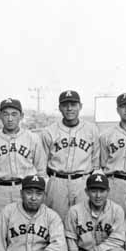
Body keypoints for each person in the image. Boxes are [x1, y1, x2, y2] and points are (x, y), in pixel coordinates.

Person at [0, 98, 46, 221]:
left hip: (25, 189)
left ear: (21, 116)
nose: (10, 118)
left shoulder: (32, 138)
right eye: (6, 114)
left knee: (25, 229)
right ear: (0, 116)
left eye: (14, 114)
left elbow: (40, 170)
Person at [42, 90, 100, 219]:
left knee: (84, 221)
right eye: (65, 105)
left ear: (80, 106)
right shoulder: (49, 131)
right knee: (55, 220)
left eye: (73, 104)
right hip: (57, 181)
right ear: (59, 108)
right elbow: (43, 162)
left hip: (82, 181)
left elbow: (95, 162)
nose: (69, 108)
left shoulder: (91, 130)